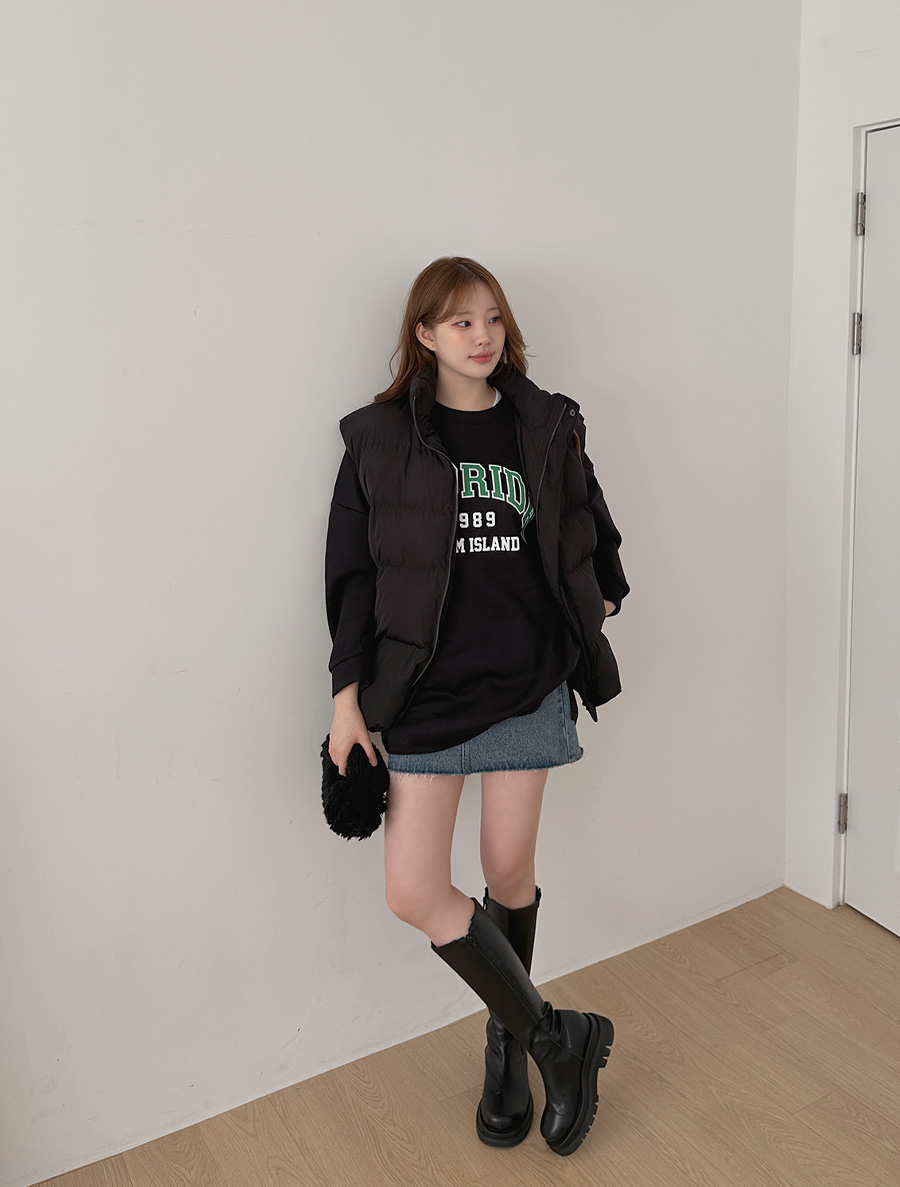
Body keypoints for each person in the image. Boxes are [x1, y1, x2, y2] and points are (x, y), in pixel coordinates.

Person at [324, 256, 629, 1157]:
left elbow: (593, 524)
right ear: (423, 334)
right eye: (460, 321)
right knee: (413, 889)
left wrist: (602, 593)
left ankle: (508, 1046)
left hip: (526, 678)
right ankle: (552, 1034)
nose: (482, 335)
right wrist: (346, 698)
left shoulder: (546, 421)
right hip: (425, 691)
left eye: (492, 317)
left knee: (507, 868)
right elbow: (351, 577)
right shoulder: (378, 439)